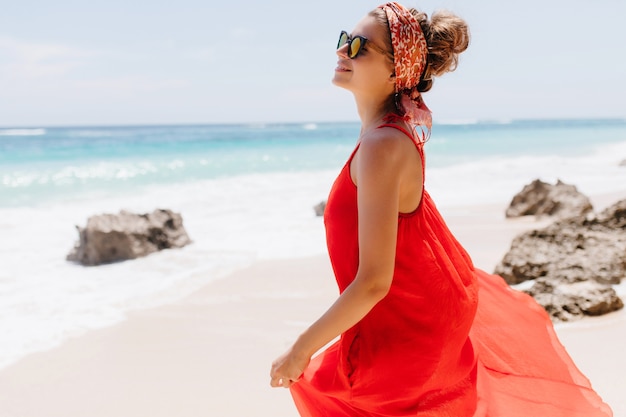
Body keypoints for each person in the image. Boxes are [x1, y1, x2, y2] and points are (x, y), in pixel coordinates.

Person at [270, 2, 613, 416]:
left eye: (359, 46)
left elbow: (374, 281)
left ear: (399, 70)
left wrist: (300, 349)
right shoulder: (387, 135)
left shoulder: (383, 145)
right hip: (402, 329)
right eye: (344, 39)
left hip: (403, 341)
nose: (343, 51)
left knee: (319, 388)